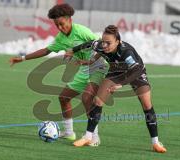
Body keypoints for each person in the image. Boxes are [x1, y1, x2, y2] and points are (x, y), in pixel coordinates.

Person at [9, 3, 108, 146]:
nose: (60, 28)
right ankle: (69, 133)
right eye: (57, 25)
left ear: (69, 20)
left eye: (62, 24)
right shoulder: (61, 38)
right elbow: (46, 50)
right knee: (64, 97)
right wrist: (23, 58)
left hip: (98, 65)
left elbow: (98, 43)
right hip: (84, 69)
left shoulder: (81, 31)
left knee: (87, 99)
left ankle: (94, 137)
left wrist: (74, 50)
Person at [66, 25, 167, 153]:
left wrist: (121, 84)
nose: (104, 45)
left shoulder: (126, 52)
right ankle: (88, 136)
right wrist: (72, 51)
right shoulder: (100, 45)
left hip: (135, 73)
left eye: (108, 43)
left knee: (147, 105)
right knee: (97, 101)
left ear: (118, 42)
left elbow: (136, 70)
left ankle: (155, 143)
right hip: (115, 71)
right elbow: (89, 43)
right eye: (103, 42)